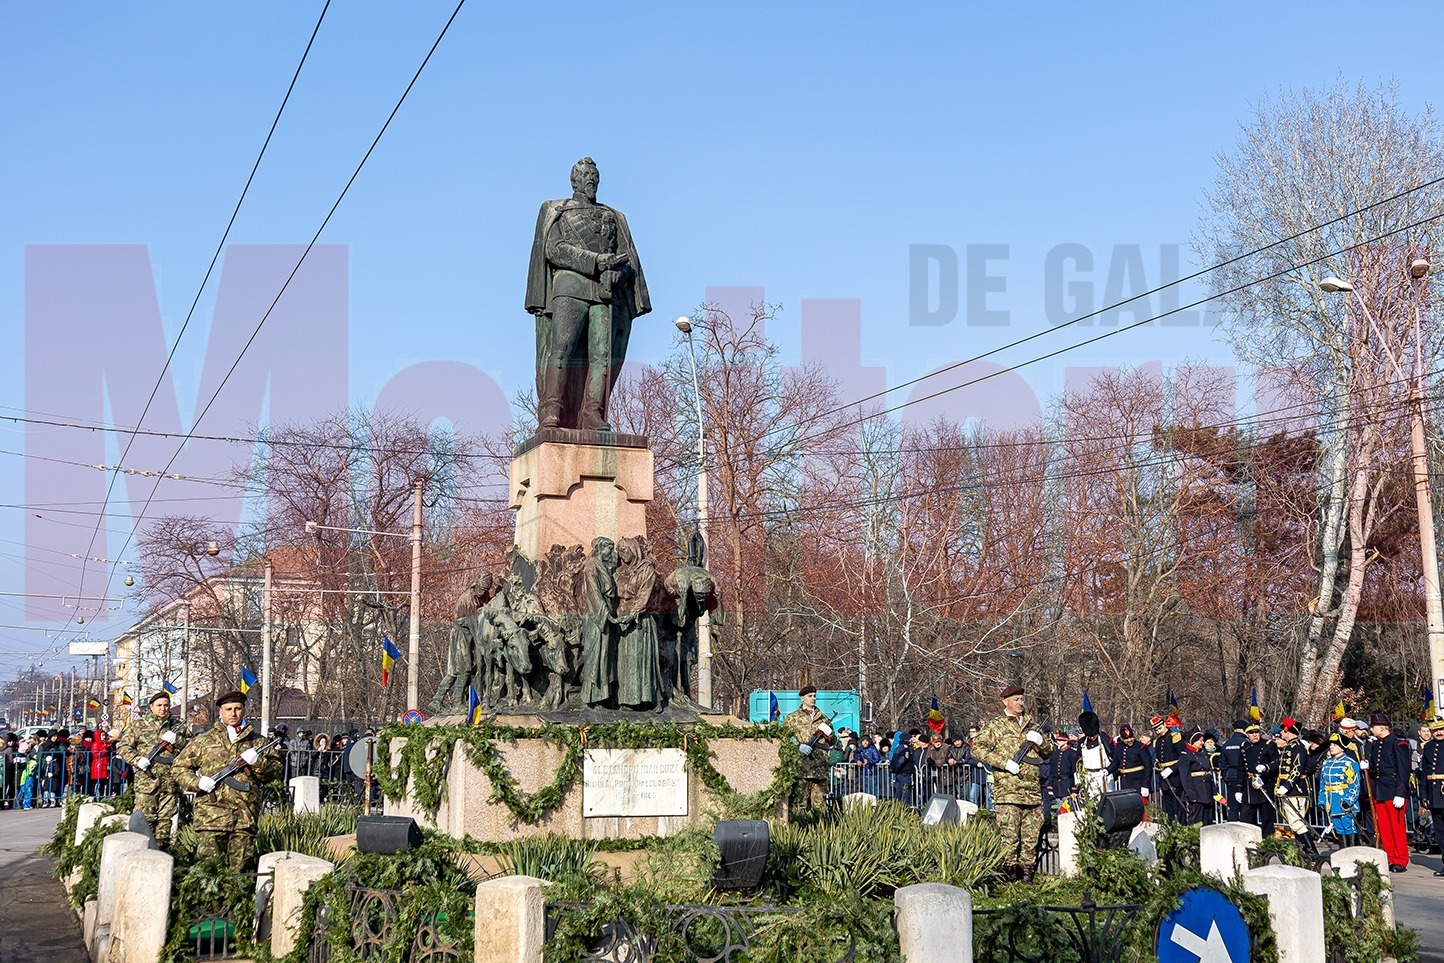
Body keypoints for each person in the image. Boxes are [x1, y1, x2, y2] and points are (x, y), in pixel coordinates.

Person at [525, 157, 651, 432]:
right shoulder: (558, 210)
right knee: (562, 350)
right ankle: (552, 411)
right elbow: (554, 249)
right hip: (570, 285)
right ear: (575, 180)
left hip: (605, 292)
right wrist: (595, 261)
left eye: (595, 176)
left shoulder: (613, 216)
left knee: (602, 356)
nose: (592, 180)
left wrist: (618, 274)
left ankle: (592, 413)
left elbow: (628, 260)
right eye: (586, 176)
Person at [172, 691, 281, 870]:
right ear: (220, 712)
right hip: (211, 816)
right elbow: (179, 768)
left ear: (244, 710)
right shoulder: (204, 741)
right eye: (228, 709)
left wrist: (257, 762)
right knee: (209, 872)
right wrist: (197, 783)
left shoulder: (258, 743)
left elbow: (274, 772)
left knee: (240, 873)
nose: (233, 713)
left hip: (244, 816)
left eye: (237, 709)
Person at [971, 685, 1054, 882]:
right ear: (1005, 701)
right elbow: (977, 750)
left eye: (1022, 699)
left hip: (1032, 793)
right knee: (1009, 838)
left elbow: (1049, 751)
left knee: (1030, 839)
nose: (1020, 703)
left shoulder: (1033, 725)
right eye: (1016, 699)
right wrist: (1004, 763)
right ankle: (1009, 879)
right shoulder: (995, 726)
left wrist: (1040, 742)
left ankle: (1026, 879)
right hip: (1008, 792)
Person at [117, 692, 189, 847]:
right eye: (159, 705)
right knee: (145, 819)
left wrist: (178, 740)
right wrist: (137, 760)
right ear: (151, 707)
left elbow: (190, 749)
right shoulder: (139, 726)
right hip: (147, 782)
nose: (163, 709)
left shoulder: (176, 726)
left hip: (170, 782)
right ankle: (141, 853)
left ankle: (162, 853)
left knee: (166, 820)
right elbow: (123, 747)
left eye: (166, 705)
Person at [1363, 712, 1412, 872]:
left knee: (1396, 827)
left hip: (1393, 789)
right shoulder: (1376, 744)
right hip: (1380, 789)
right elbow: (1378, 764)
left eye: (1373, 726)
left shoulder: (1398, 744)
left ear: (1382, 727)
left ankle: (1401, 859)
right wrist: (1367, 766)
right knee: (1384, 827)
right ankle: (1390, 857)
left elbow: (1403, 770)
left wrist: (1401, 793)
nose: (1371, 729)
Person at [784, 686, 834, 809]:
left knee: (820, 806)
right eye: (810, 696)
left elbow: (832, 742)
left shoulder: (823, 718)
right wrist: (798, 746)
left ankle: (820, 828)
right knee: (799, 805)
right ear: (802, 698)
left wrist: (830, 735)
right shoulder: (793, 718)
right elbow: (782, 739)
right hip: (801, 768)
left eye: (814, 696)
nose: (813, 698)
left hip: (819, 768)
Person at [1273, 721, 1315, 852]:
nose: (1280, 733)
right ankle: (1303, 850)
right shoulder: (1289, 746)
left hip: (1296, 789)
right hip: (1290, 789)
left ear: (1288, 731)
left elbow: (1297, 769)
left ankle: (1311, 851)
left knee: (1297, 822)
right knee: (1294, 822)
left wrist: (1286, 786)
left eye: (1282, 730)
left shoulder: (1297, 746)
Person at [1318, 733, 1363, 848]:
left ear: (1342, 747)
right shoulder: (1326, 763)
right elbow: (1323, 784)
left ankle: (1352, 852)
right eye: (1331, 744)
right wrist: (1322, 800)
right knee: (1338, 827)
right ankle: (1343, 851)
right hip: (1331, 801)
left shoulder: (1349, 763)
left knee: (1349, 826)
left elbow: (1354, 784)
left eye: (1335, 745)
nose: (1331, 747)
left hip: (1344, 800)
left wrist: (1348, 800)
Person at [1237, 723, 1279, 836]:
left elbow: (1277, 762)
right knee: (1246, 818)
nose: (1254, 735)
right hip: (1249, 785)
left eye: (1256, 732)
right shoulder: (1244, 746)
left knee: (1267, 818)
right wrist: (1239, 789)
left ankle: (1267, 843)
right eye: (1251, 733)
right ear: (1247, 734)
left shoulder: (1268, 745)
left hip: (1265, 784)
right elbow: (1241, 768)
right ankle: (1249, 842)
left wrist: (1266, 768)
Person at [1418, 718, 1444, 875]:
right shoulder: (1428, 747)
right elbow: (1425, 774)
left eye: (1441, 729)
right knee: (1440, 832)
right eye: (1435, 730)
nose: (1439, 733)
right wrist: (1424, 795)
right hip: (1434, 794)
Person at [1150, 713, 1186, 823]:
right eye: (1156, 730)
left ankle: (1181, 827)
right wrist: (1157, 765)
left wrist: (1172, 769)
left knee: (1178, 806)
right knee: (1168, 807)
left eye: (1160, 728)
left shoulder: (1175, 737)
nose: (1159, 731)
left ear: (1165, 724)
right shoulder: (1157, 741)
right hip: (1164, 778)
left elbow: (1183, 757)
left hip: (1175, 777)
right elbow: (1159, 759)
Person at [1179, 729, 1218, 826]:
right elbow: (1185, 777)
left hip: (1207, 790)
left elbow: (1208, 772)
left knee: (1208, 820)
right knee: (1196, 820)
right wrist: (1191, 794)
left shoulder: (1203, 753)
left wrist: (1213, 790)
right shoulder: (1186, 755)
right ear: (1193, 741)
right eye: (1200, 740)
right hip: (1197, 791)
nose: (1202, 743)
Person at [1108, 725, 1153, 807]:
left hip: (1138, 783)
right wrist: (1107, 770)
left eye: (1131, 737)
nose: (1129, 740)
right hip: (1125, 783)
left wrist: (1145, 785)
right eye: (1126, 739)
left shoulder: (1141, 747)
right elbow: (1115, 763)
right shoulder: (1119, 747)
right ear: (1121, 738)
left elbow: (1148, 767)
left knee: (1142, 809)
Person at [1041, 731, 1079, 813]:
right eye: (1057, 740)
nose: (1058, 742)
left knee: (1068, 810)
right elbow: (1052, 771)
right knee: (1059, 811)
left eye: (1060, 740)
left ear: (1066, 741)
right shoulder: (1055, 754)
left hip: (1067, 785)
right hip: (1057, 785)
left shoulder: (1072, 754)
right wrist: (1050, 785)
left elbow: (1074, 772)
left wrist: (1074, 788)